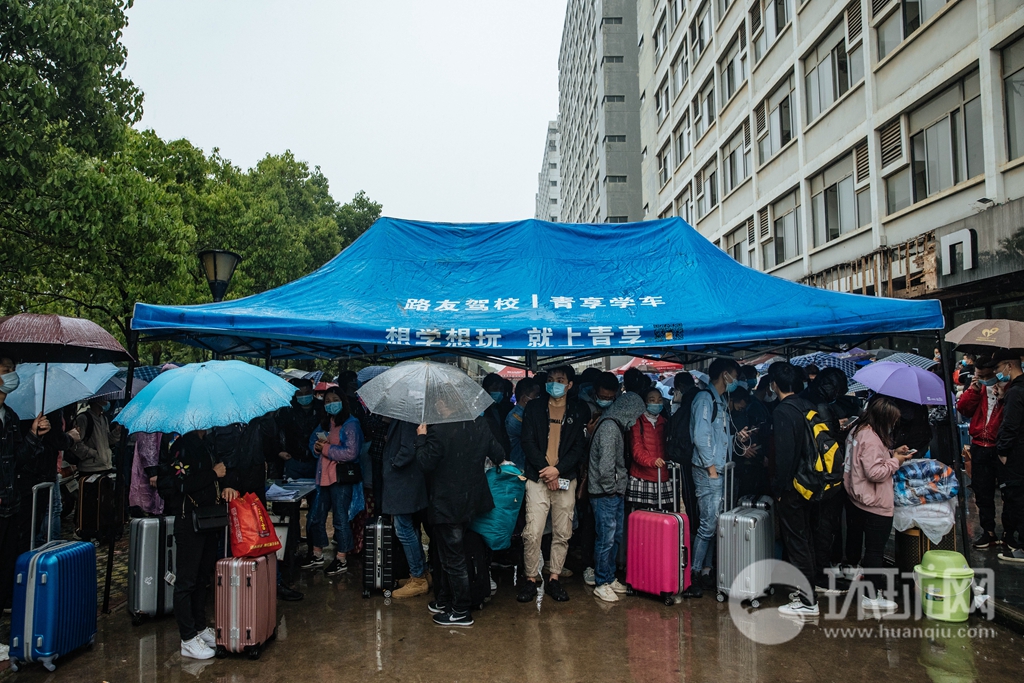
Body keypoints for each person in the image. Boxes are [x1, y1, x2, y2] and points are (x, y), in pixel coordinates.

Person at [415, 411, 504, 626]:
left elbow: (424, 462)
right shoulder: (479, 423)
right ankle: (445, 600)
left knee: (452, 558)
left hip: (447, 504)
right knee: (451, 553)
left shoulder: (440, 430)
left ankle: (461, 610)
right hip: (472, 501)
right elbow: (499, 454)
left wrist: (421, 437)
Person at [518, 365, 589, 603]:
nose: (554, 383)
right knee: (533, 532)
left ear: (570, 385)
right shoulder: (534, 408)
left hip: (565, 477)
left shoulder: (578, 410)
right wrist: (547, 471)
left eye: (560, 380)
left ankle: (554, 578)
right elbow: (527, 441)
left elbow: (579, 447)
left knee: (563, 532)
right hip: (538, 477)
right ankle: (530, 578)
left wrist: (558, 470)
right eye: (550, 379)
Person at [156, 429, 227, 660]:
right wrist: (213, 473)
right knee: (186, 581)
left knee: (201, 578)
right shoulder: (180, 447)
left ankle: (199, 627)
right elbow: (181, 484)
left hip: (208, 519)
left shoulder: (206, 443)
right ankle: (187, 637)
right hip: (189, 521)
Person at [771, 361, 830, 617]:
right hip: (812, 482)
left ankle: (807, 599)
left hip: (794, 487)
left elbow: (785, 457)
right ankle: (809, 588)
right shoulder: (806, 405)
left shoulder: (783, 411)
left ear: (774, 385)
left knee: (796, 541)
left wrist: (779, 488)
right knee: (806, 538)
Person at [844, 396, 914, 608]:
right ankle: (871, 596)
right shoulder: (872, 438)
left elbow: (867, 459)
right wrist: (896, 462)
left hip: (857, 497)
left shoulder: (858, 430)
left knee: (863, 544)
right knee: (875, 551)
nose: (894, 425)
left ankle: (861, 582)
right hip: (874, 502)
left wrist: (893, 453)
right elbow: (874, 472)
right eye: (892, 421)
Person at [0, 359, 50, 625]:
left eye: (13, 370)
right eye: (6, 370)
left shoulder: (9, 417)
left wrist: (34, 435)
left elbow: (17, 459)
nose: (12, 376)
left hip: (11, 505)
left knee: (6, 566)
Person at [690, 357, 743, 589]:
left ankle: (706, 570)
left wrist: (738, 437)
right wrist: (711, 470)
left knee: (714, 523)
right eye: (735, 377)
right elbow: (701, 437)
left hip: (718, 470)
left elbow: (717, 436)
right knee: (707, 525)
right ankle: (693, 574)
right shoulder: (705, 399)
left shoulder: (719, 401)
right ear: (725, 375)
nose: (736, 382)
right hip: (707, 471)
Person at [588, 392, 646, 602]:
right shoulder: (610, 428)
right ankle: (602, 582)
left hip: (612, 491)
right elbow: (606, 466)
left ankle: (609, 577)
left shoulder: (612, 424)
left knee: (614, 537)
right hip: (606, 493)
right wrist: (611, 488)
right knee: (606, 539)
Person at [799, 368, 852, 591]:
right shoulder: (820, 406)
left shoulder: (804, 400)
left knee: (814, 525)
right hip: (823, 475)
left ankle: (817, 570)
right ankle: (819, 573)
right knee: (823, 525)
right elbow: (827, 441)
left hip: (809, 475)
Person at [306, 388, 364, 575]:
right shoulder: (325, 423)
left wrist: (326, 449)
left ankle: (341, 558)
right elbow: (313, 442)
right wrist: (316, 448)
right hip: (323, 478)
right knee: (317, 516)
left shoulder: (351, 424)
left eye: (335, 399)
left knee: (340, 519)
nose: (331, 404)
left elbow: (351, 453)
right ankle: (317, 554)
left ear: (343, 401)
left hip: (340, 479)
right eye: (327, 401)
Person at [956, 357, 1006, 549]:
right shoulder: (976, 388)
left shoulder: (1008, 388)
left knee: (1008, 492)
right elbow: (964, 409)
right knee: (982, 491)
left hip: (1000, 446)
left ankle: (1009, 532)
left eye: (987, 376)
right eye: (980, 376)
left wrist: (1002, 397)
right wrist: (973, 391)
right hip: (979, 445)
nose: (984, 379)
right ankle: (988, 531)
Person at [383, 419, 430, 598]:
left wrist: (393, 463)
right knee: (410, 528)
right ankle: (422, 572)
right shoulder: (406, 418)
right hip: (406, 481)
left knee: (403, 529)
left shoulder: (406, 419)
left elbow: (409, 449)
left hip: (403, 482)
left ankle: (418, 578)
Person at [994, 349, 1024, 562]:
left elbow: (1011, 425)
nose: (998, 372)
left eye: (998, 367)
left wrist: (1003, 450)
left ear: (1009, 365)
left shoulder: (1016, 392)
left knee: (1017, 499)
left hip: (1016, 453)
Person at [625, 387, 672, 510]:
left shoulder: (665, 422)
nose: (656, 403)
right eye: (652, 400)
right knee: (644, 516)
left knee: (661, 515)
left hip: (662, 476)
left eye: (659, 400)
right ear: (645, 402)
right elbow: (636, 450)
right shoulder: (637, 422)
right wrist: (652, 461)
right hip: (642, 478)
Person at [728, 386, 770, 499]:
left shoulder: (741, 415)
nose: (740, 411)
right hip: (732, 464)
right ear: (731, 400)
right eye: (739, 408)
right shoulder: (727, 417)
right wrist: (740, 449)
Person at [73, 397, 121, 475]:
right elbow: (75, 443)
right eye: (104, 399)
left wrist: (117, 432)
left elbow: (107, 440)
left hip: (106, 466)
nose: (107, 402)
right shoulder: (83, 418)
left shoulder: (104, 418)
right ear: (96, 401)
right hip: (90, 468)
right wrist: (93, 453)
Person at [506, 378, 541, 471]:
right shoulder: (515, 418)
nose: (538, 399)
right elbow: (535, 437)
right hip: (521, 466)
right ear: (525, 399)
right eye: (536, 395)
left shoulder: (528, 414)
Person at [482, 373, 511, 458]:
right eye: (495, 389)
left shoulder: (501, 409)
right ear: (486, 389)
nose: (498, 392)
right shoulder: (481, 411)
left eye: (501, 389)